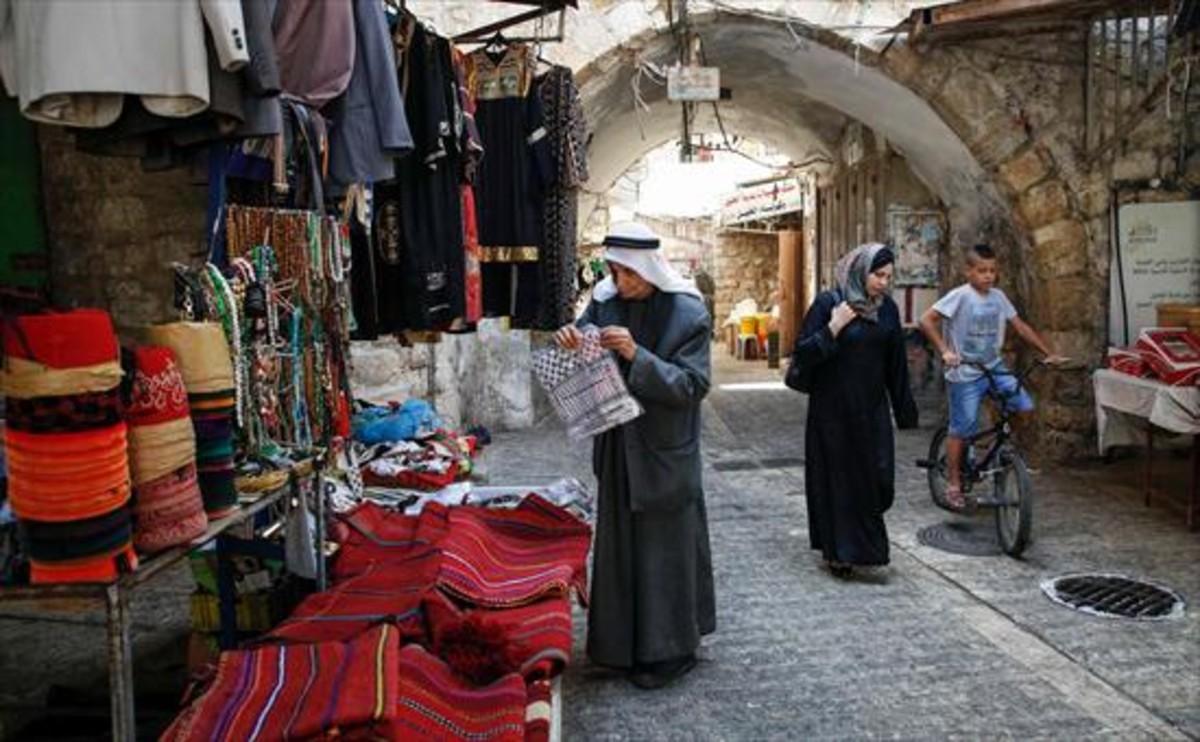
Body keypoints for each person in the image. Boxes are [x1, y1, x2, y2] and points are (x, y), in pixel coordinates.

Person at [554, 221, 715, 690]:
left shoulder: (688, 313)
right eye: (616, 272)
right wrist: (571, 341)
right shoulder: (605, 302)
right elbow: (583, 345)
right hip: (619, 447)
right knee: (622, 548)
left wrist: (637, 355)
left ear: (649, 268)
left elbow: (692, 385)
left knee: (667, 552)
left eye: (629, 274)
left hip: (665, 450)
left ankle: (672, 650)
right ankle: (621, 648)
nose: (621, 283)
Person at [790, 243, 918, 577]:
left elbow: (896, 366)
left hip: (872, 411)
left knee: (877, 480)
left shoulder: (886, 310)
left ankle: (860, 547)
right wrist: (833, 328)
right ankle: (840, 553)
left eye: (889, 276)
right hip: (831, 412)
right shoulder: (829, 304)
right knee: (837, 482)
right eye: (878, 275)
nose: (883, 283)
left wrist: (905, 411)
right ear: (860, 271)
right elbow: (802, 354)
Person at [919, 243, 1066, 510]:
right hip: (965, 372)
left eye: (992, 271)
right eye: (982, 271)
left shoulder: (998, 297)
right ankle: (953, 482)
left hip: (994, 367)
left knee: (1024, 406)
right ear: (969, 271)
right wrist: (945, 351)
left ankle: (1003, 456)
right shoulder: (960, 296)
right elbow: (926, 320)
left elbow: (1019, 326)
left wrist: (1048, 353)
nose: (988, 276)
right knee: (962, 429)